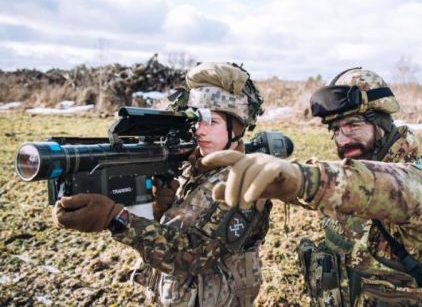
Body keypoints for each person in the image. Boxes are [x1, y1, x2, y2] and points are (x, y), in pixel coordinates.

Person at [203, 68, 422, 306]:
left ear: (381, 125)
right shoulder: (346, 177)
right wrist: (282, 179)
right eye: (336, 129)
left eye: (353, 126)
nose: (343, 139)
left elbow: (377, 187)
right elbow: (337, 185)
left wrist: (305, 178)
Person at [52, 62, 272, 306]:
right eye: (196, 120)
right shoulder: (195, 168)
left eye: (213, 121)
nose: (199, 130)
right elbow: (173, 235)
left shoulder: (245, 182)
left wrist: (116, 219)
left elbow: (195, 255)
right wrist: (159, 210)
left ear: (237, 128)